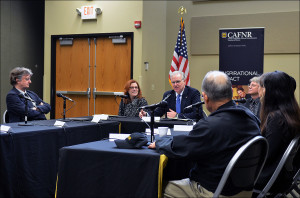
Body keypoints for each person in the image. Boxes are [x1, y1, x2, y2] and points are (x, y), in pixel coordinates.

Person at [148, 71, 261, 197]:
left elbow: (182, 148)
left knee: (156, 187)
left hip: (215, 191)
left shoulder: (210, 125)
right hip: (246, 191)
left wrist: (159, 142)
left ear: (205, 97)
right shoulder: (251, 118)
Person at [253, 71, 300, 196]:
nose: (259, 90)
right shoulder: (290, 114)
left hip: (268, 178)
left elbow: (265, 155)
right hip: (280, 176)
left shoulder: (276, 119)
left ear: (272, 92)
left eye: (262, 86)